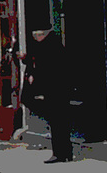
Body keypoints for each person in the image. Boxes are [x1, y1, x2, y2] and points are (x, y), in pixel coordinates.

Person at [24, 24, 73, 164]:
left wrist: (39, 87)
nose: (35, 38)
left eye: (37, 35)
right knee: (60, 123)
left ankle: (59, 153)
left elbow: (46, 71)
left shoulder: (47, 48)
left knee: (57, 123)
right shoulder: (54, 46)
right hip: (60, 90)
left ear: (42, 34)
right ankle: (65, 153)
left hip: (54, 90)